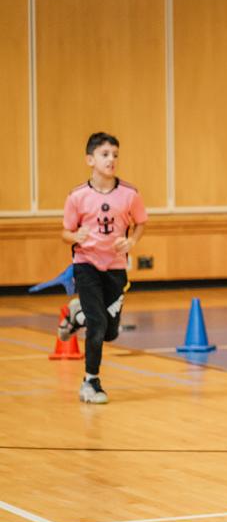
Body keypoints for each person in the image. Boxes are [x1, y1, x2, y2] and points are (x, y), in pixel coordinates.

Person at [58, 132, 148, 404]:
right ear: (90, 159)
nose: (111, 160)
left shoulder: (130, 194)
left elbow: (141, 222)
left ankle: (77, 314)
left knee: (110, 332)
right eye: (105, 154)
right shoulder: (77, 196)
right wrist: (76, 237)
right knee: (97, 326)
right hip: (86, 265)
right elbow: (65, 232)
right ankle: (90, 382)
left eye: (115, 155)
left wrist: (131, 240)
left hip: (116, 268)